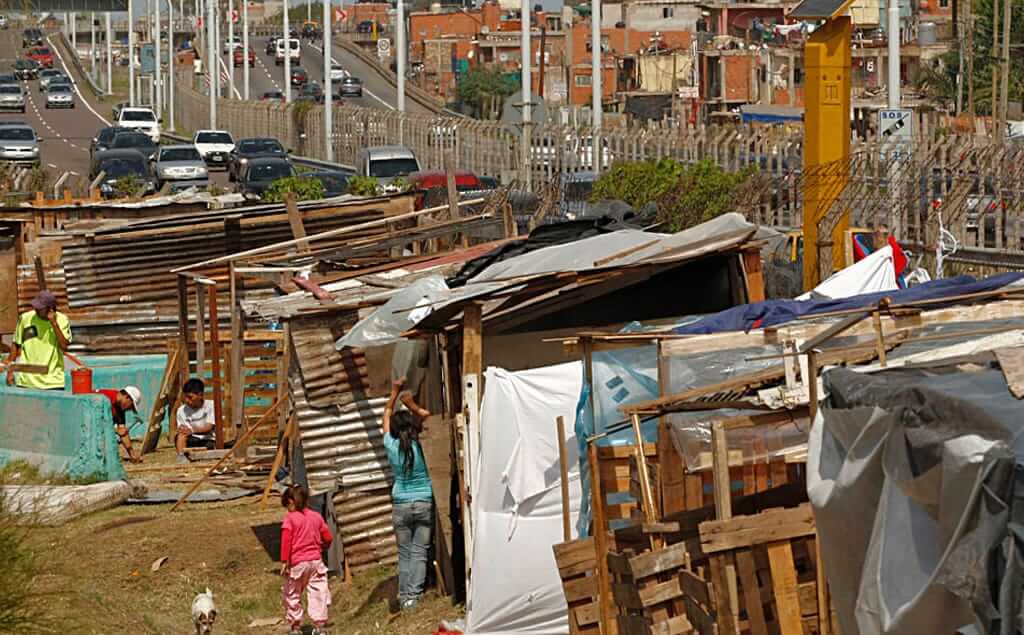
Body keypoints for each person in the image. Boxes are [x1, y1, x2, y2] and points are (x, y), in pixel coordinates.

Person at [382, 378, 433, 610]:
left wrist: (394, 392)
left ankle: (404, 597)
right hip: (424, 502)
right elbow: (427, 416)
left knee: (404, 554)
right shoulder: (421, 444)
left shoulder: (391, 446)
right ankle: (414, 597)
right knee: (419, 552)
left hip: (401, 505)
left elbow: (386, 414)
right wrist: (413, 406)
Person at [280, 484, 332, 635]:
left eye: (286, 505)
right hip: (316, 562)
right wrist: (323, 547)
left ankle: (295, 626)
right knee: (318, 592)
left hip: (298, 564)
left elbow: (286, 541)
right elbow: (328, 537)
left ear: (291, 501)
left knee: (292, 593)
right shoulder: (316, 516)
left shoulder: (290, 519)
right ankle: (320, 627)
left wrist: (284, 561)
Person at [6, 291, 71, 390]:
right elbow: (16, 344)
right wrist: (10, 371)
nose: (36, 309)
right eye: (35, 306)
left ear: (50, 309)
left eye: (40, 308)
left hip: (52, 382)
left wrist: (54, 323)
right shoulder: (25, 318)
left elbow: (64, 347)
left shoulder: (62, 320)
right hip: (27, 381)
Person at [97, 385, 143, 463]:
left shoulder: (120, 408)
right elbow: (94, 424)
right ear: (127, 397)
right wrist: (115, 430)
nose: (129, 410)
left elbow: (122, 431)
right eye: (131, 406)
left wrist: (132, 454)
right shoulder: (104, 398)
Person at [175, 378, 216, 464]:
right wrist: (183, 430)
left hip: (208, 439)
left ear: (200, 395)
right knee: (180, 435)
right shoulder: (181, 410)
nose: (186, 400)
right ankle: (181, 457)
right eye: (185, 397)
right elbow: (183, 430)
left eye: (190, 397)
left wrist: (192, 430)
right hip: (191, 440)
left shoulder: (211, 406)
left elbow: (209, 427)